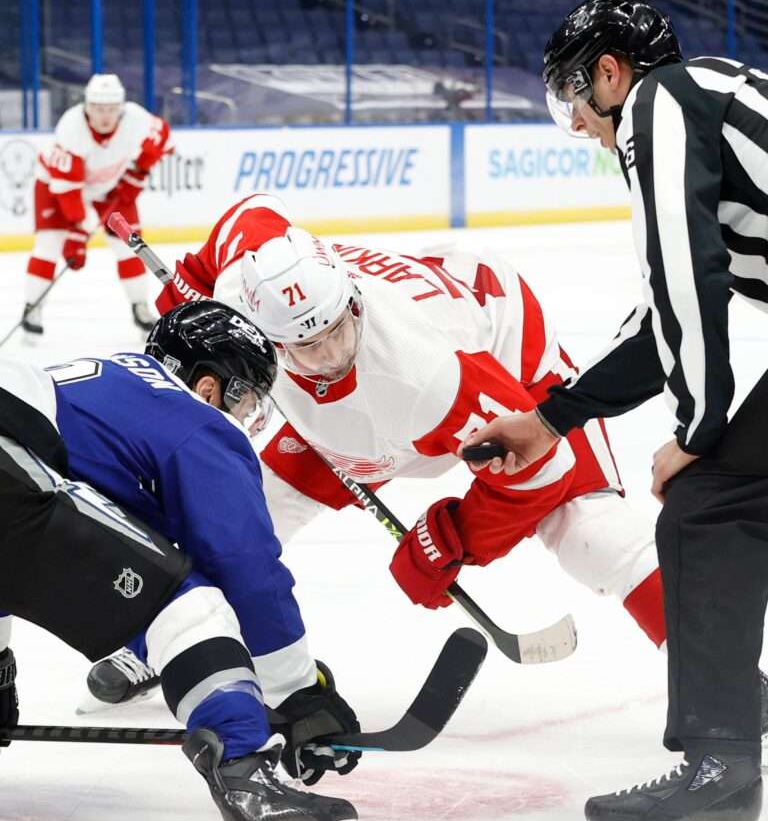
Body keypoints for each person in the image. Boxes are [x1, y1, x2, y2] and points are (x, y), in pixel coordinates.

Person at [465, 0, 768, 821]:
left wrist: (700, 430)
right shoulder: (711, 94)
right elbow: (657, 326)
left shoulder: (661, 103)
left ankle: (719, 779)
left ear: (610, 73)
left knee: (709, 507)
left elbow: (689, 281)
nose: (578, 125)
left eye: (573, 97)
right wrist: (549, 419)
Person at [149, 193, 672, 652]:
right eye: (308, 344)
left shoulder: (424, 374)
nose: (332, 354)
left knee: (587, 531)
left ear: (351, 299)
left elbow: (543, 467)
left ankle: (716, 675)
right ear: (270, 337)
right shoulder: (244, 282)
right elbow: (251, 211)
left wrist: (457, 537)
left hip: (494, 337)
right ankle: (177, 635)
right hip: (386, 390)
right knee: (250, 508)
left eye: (337, 328)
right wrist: (194, 288)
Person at [0, 302, 370, 821]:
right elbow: (245, 565)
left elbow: (24, 561)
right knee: (190, 608)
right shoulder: (197, 422)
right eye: (245, 397)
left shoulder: (110, 390)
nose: (245, 416)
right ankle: (253, 787)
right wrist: (299, 692)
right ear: (208, 384)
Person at [23, 73, 172, 337]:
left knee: (130, 246)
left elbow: (162, 138)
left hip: (108, 187)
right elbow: (69, 191)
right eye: (98, 109)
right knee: (49, 244)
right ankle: (32, 306)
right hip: (55, 186)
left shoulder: (136, 119)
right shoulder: (71, 127)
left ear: (122, 108)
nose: (105, 116)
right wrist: (77, 236)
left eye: (112, 109)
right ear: (86, 107)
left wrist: (138, 173)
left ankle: (140, 305)